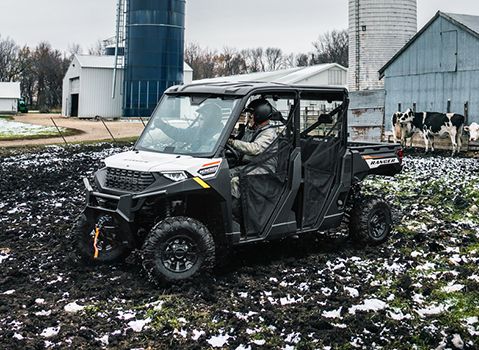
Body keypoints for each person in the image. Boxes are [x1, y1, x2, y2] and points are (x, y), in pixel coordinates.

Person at [228, 99, 278, 200]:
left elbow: (254, 148)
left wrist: (232, 142)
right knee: (225, 174)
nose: (248, 119)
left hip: (264, 168)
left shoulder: (269, 133)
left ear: (259, 116)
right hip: (250, 166)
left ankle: (237, 209)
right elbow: (241, 148)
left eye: (250, 116)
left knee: (236, 181)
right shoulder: (251, 131)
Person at [155, 102, 223, 151]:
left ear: (211, 121)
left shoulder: (219, 137)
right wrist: (163, 126)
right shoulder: (197, 131)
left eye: (201, 119)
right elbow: (180, 134)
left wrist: (182, 152)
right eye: (199, 118)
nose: (198, 121)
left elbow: (202, 153)